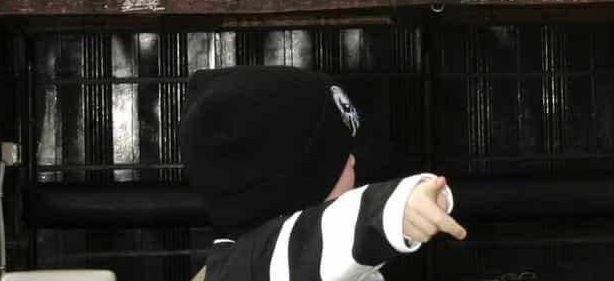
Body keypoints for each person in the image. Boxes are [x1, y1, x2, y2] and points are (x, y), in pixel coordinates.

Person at [178, 66, 466, 280]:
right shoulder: (245, 268)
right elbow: (321, 238)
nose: (353, 160)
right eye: (337, 158)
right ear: (294, 184)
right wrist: (392, 208)